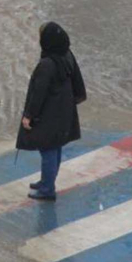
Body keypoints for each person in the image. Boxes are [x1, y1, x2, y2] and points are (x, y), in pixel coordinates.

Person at [16, 22, 87, 201]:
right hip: (63, 112)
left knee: (47, 149)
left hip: (48, 115)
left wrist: (29, 116)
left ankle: (47, 189)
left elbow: (38, 93)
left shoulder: (47, 64)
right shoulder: (67, 55)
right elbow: (78, 83)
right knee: (54, 147)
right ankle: (47, 181)